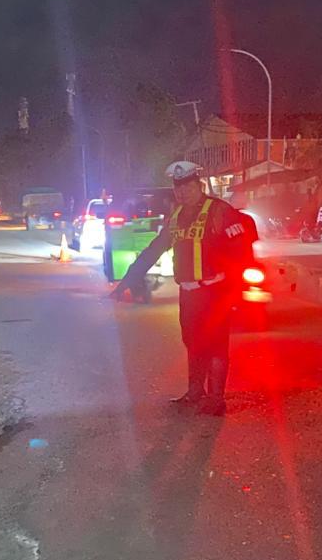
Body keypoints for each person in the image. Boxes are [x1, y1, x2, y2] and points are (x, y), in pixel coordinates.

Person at [110, 161, 258, 417]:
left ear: (198, 185)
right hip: (189, 293)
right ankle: (195, 392)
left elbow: (242, 252)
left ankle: (216, 399)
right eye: (178, 189)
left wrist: (235, 290)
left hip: (215, 292)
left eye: (188, 187)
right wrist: (127, 281)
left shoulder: (219, 211)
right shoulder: (177, 216)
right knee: (193, 342)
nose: (182, 193)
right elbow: (154, 250)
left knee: (216, 346)